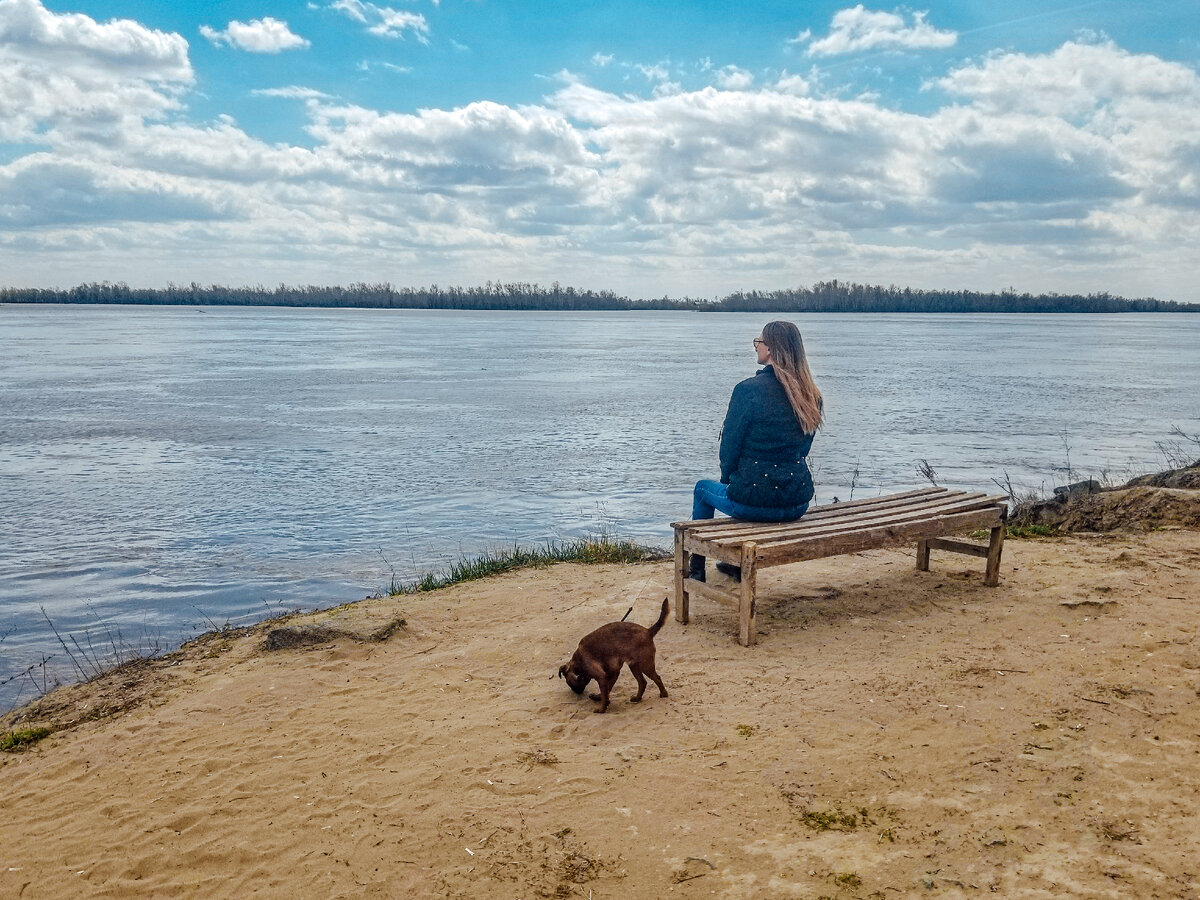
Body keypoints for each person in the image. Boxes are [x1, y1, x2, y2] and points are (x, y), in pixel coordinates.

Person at [688, 320, 824, 582]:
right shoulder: (811, 395)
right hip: (797, 503)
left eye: (758, 342)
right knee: (748, 491)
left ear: (770, 349)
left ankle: (696, 569)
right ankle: (732, 564)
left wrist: (729, 479)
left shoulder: (747, 390)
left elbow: (729, 449)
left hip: (753, 503)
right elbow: (803, 449)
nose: (755, 347)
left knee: (702, 489)